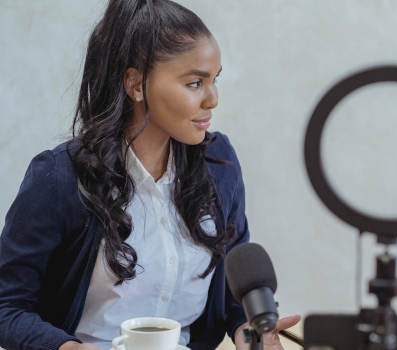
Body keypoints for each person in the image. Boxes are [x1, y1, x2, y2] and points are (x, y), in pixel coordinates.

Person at [0, 1, 299, 349]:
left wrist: (249, 329)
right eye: (194, 83)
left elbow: (234, 282)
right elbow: (7, 307)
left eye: (214, 80)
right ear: (135, 84)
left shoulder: (219, 164)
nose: (213, 99)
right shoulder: (58, 178)